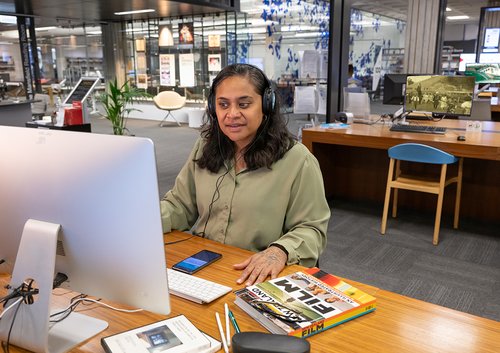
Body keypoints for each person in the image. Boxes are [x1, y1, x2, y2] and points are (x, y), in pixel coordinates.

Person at [160, 64, 330, 286]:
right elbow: (180, 205)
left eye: (244, 104)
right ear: (213, 108)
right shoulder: (205, 147)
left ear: (266, 105)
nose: (232, 114)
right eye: (223, 105)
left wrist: (280, 252)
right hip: (206, 265)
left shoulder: (298, 160)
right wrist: (144, 219)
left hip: (258, 275)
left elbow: (312, 229)